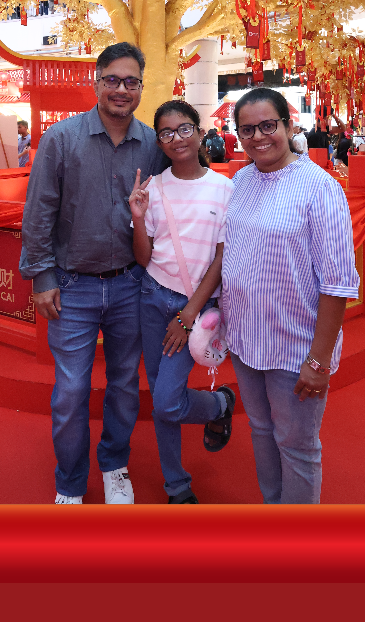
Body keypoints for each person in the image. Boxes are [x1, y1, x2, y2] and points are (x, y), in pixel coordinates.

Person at [19, 41, 168, 505]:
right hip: (72, 287)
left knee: (124, 384)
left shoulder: (153, 144)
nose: (122, 89)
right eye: (113, 80)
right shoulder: (62, 139)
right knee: (70, 391)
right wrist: (41, 277)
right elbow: (39, 211)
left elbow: (176, 201)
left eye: (131, 82)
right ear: (96, 82)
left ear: (141, 87)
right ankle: (69, 482)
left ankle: (114, 464)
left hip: (131, 286)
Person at [222, 87, 359, 504]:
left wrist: (318, 361)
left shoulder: (320, 187)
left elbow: (337, 283)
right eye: (248, 130)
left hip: (295, 347)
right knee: (261, 430)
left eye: (268, 126)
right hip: (245, 339)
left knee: (297, 445)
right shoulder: (241, 179)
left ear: (288, 125)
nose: (258, 137)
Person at [129, 100, 236, 504]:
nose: (177, 138)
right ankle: (176, 484)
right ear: (159, 141)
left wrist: (189, 314)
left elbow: (222, 259)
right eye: (167, 133)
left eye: (185, 129)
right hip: (152, 297)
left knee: (166, 401)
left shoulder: (224, 188)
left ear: (200, 132)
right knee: (162, 398)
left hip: (194, 305)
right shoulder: (153, 187)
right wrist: (138, 216)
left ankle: (218, 403)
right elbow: (144, 258)